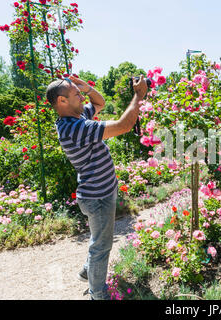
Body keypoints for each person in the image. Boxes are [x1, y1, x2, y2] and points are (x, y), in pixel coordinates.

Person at [46, 75, 148, 299]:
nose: (81, 95)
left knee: (98, 239)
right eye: (76, 94)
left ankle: (87, 271)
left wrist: (88, 88)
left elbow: (99, 103)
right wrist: (139, 95)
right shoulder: (75, 128)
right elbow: (124, 125)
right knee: (101, 246)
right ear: (62, 101)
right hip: (98, 197)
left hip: (100, 191)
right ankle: (98, 294)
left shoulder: (76, 116)